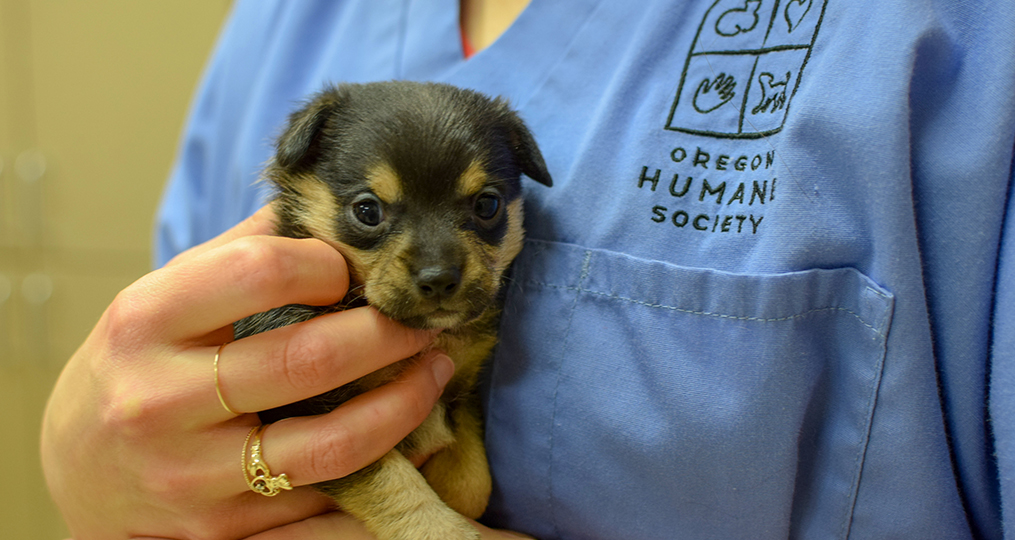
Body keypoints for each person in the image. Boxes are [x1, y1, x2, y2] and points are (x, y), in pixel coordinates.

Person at [43, 0, 1015, 539]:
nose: (429, 267)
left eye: (478, 212)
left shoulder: (950, 38)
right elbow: (165, 415)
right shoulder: (284, 21)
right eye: (372, 216)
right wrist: (88, 475)